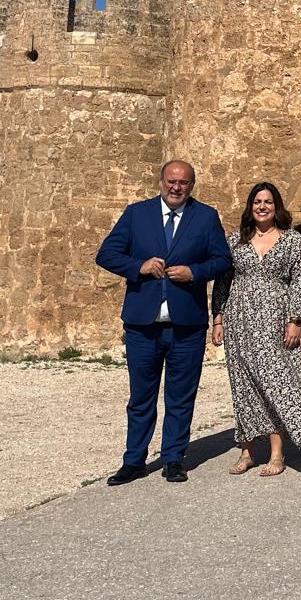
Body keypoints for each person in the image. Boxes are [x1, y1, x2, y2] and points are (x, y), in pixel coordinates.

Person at [96, 160, 232, 485]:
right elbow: (106, 254)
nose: (176, 187)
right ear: (161, 182)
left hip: (187, 326)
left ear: (192, 185)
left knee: (180, 396)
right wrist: (139, 266)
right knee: (141, 397)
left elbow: (223, 260)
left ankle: (174, 458)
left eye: (183, 182)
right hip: (143, 326)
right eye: (171, 181)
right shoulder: (136, 214)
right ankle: (134, 461)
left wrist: (194, 273)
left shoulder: (206, 217)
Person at [211, 182, 301, 476]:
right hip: (240, 321)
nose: (262, 206)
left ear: (277, 206)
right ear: (250, 207)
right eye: (257, 202)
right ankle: (247, 452)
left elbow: (300, 281)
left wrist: (295, 319)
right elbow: (222, 282)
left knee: (276, 383)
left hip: (276, 322)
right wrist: (218, 319)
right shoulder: (235, 242)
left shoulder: (291, 240)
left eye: (268, 202)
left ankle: (277, 453)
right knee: (243, 385)